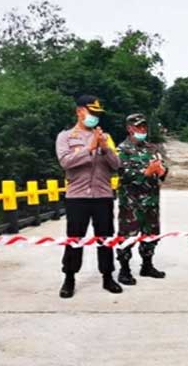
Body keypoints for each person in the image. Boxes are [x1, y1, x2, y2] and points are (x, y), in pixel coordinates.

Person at [55, 94, 122, 298]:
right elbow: (65, 162)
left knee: (105, 238)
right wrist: (89, 148)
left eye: (97, 114)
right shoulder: (66, 137)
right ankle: (69, 278)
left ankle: (108, 276)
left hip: (102, 195)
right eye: (91, 112)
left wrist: (104, 147)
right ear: (79, 111)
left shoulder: (106, 137)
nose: (94, 117)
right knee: (75, 239)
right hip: (77, 196)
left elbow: (117, 165)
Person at [116, 113, 168, 286]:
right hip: (131, 203)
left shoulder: (152, 148)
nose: (142, 129)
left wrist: (161, 172)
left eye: (144, 126)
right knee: (127, 237)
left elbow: (162, 169)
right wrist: (146, 172)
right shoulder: (122, 149)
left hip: (151, 202)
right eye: (138, 127)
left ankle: (147, 265)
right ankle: (124, 270)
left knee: (151, 234)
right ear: (129, 128)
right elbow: (123, 175)